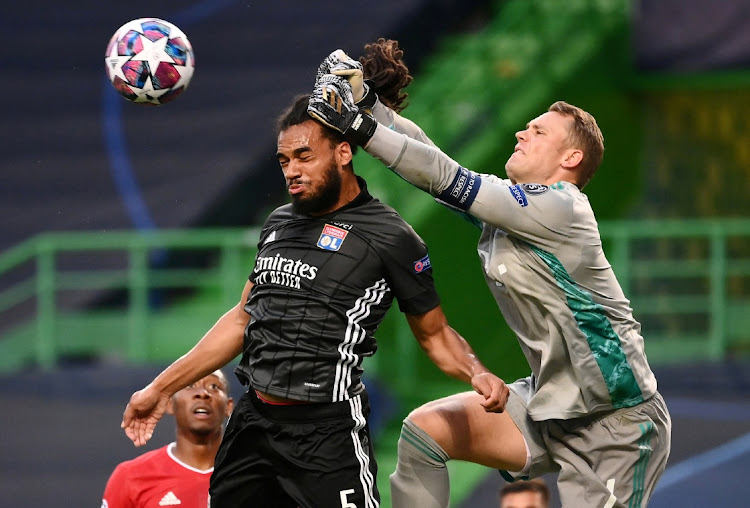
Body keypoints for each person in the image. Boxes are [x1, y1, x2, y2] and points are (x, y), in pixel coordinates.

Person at [120, 59, 509, 506]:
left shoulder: (393, 238)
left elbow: (435, 335)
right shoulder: (278, 223)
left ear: (343, 152)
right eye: (284, 160)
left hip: (326, 434)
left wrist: (476, 371)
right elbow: (242, 319)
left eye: (305, 156)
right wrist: (159, 388)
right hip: (253, 425)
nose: (292, 170)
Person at [308, 45, 672, 508]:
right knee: (425, 433)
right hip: (548, 406)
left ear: (571, 158)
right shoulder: (513, 213)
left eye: (537, 131)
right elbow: (434, 162)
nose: (521, 132)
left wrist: (360, 126)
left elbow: (444, 175)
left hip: (615, 425)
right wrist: (369, 105)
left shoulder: (562, 208)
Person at [102, 370, 233, 508]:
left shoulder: (253, 468)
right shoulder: (131, 476)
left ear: (228, 407)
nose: (202, 393)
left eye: (214, 386)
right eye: (190, 385)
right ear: (169, 404)